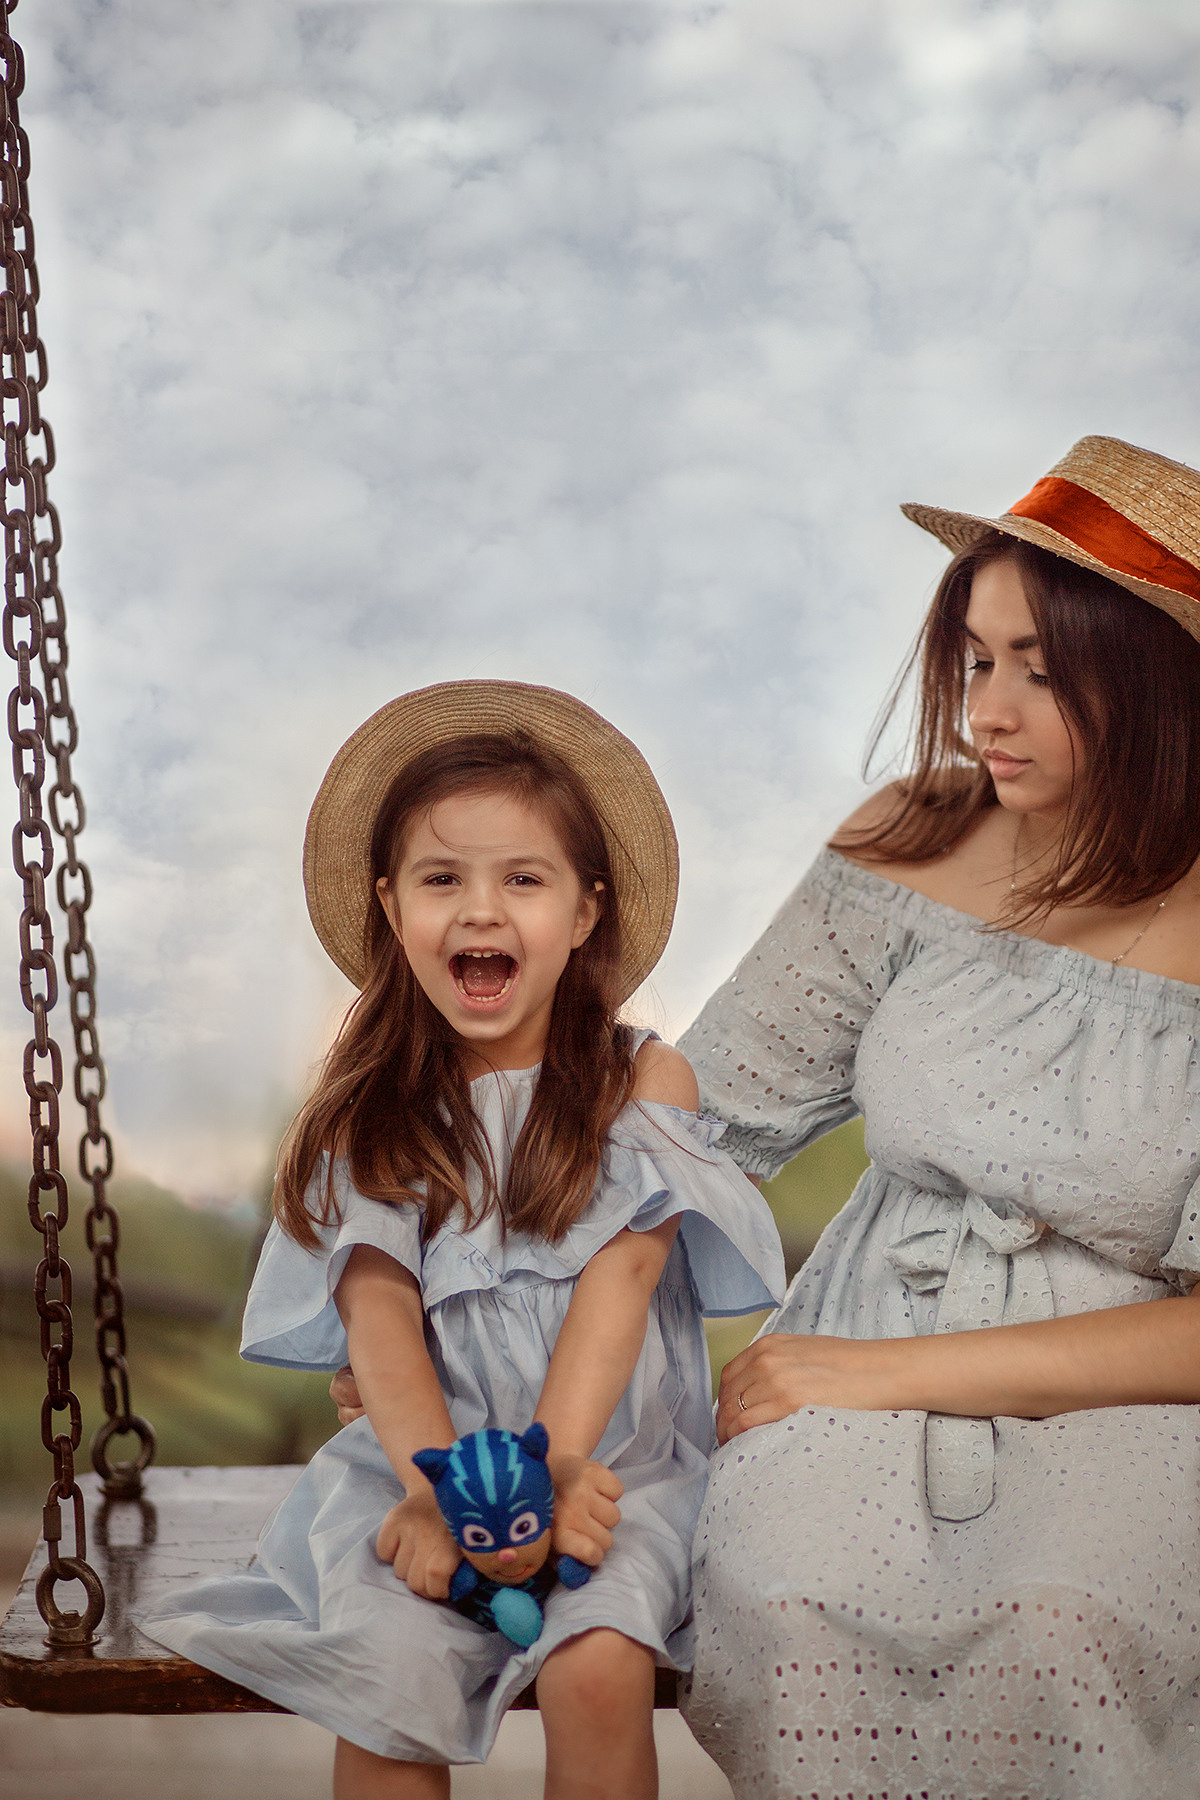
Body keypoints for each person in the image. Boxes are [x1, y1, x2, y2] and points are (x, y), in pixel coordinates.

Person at [138, 680, 784, 1800]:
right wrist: (440, 1488)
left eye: (522, 879)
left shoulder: (638, 1082)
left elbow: (622, 1286)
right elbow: (377, 1314)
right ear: (394, 909)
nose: (480, 912)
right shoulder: (374, 1110)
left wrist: (550, 1468)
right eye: (444, 880)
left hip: (610, 1467)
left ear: (584, 912)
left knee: (597, 1664)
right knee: (387, 1683)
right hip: (417, 1464)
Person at [677, 436, 1200, 1798]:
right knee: (796, 1614)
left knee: (1060, 1634)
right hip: (856, 1327)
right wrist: (472, 1261)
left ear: (1160, 684)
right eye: (977, 660)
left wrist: (863, 1376)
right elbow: (696, 1123)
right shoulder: (912, 840)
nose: (989, 710)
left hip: (1124, 1395)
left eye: (1043, 668)